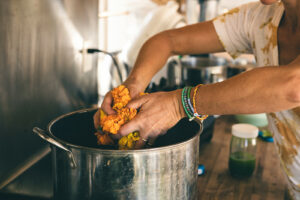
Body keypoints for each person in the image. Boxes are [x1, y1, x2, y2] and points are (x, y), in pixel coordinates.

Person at [95, 0, 300, 198]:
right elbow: (167, 41)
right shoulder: (259, 18)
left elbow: (293, 85)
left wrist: (180, 104)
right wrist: (131, 86)